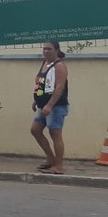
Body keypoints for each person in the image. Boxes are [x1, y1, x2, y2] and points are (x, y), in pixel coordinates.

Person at [30, 40, 69, 174]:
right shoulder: (44, 64)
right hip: (43, 104)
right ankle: (50, 159)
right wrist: (36, 100)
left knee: (55, 134)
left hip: (56, 106)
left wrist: (50, 105)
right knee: (35, 130)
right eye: (44, 49)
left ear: (56, 50)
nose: (46, 51)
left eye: (49, 49)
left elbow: (59, 87)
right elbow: (41, 83)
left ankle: (59, 166)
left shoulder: (60, 66)